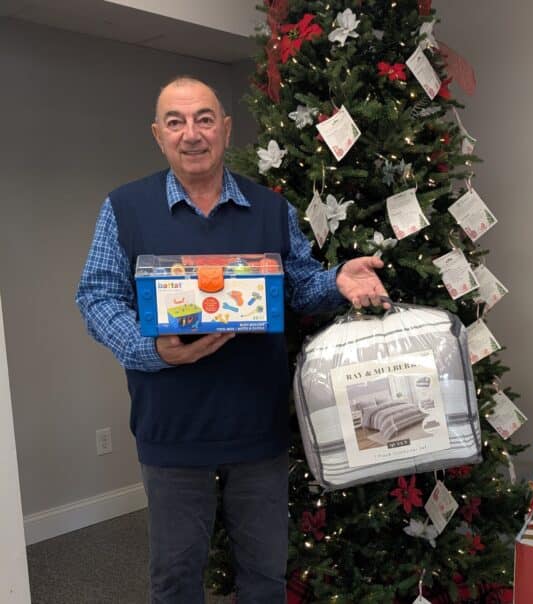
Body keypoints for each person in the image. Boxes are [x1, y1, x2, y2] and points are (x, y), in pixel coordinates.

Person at [76, 75, 388, 603]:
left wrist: (336, 281)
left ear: (225, 129)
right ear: (158, 134)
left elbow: (300, 288)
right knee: (175, 581)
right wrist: (153, 350)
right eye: (175, 122)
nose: (191, 134)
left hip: (257, 429)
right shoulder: (125, 209)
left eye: (203, 119)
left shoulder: (270, 209)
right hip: (171, 429)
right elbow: (97, 298)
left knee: (265, 578)